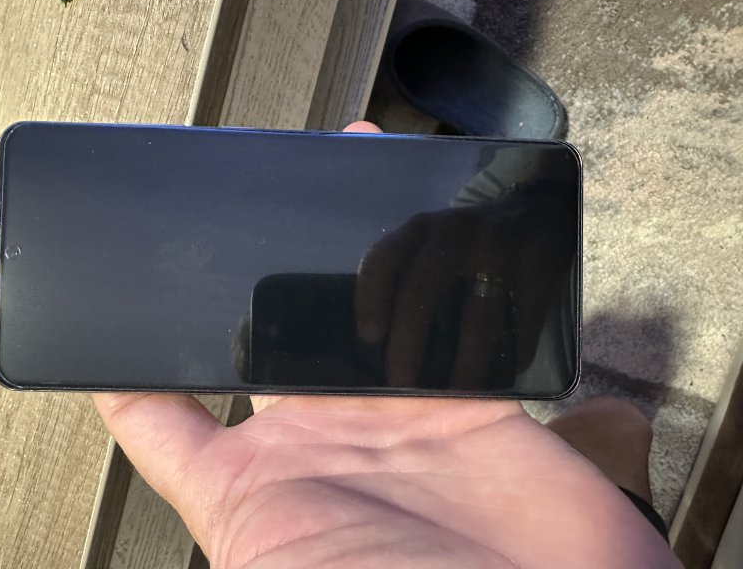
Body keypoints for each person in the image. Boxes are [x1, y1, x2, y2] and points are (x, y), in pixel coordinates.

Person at [93, 122, 681, 568]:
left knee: (615, 423)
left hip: (549, 504)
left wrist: (530, 197)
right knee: (618, 422)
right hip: (553, 505)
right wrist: (533, 195)